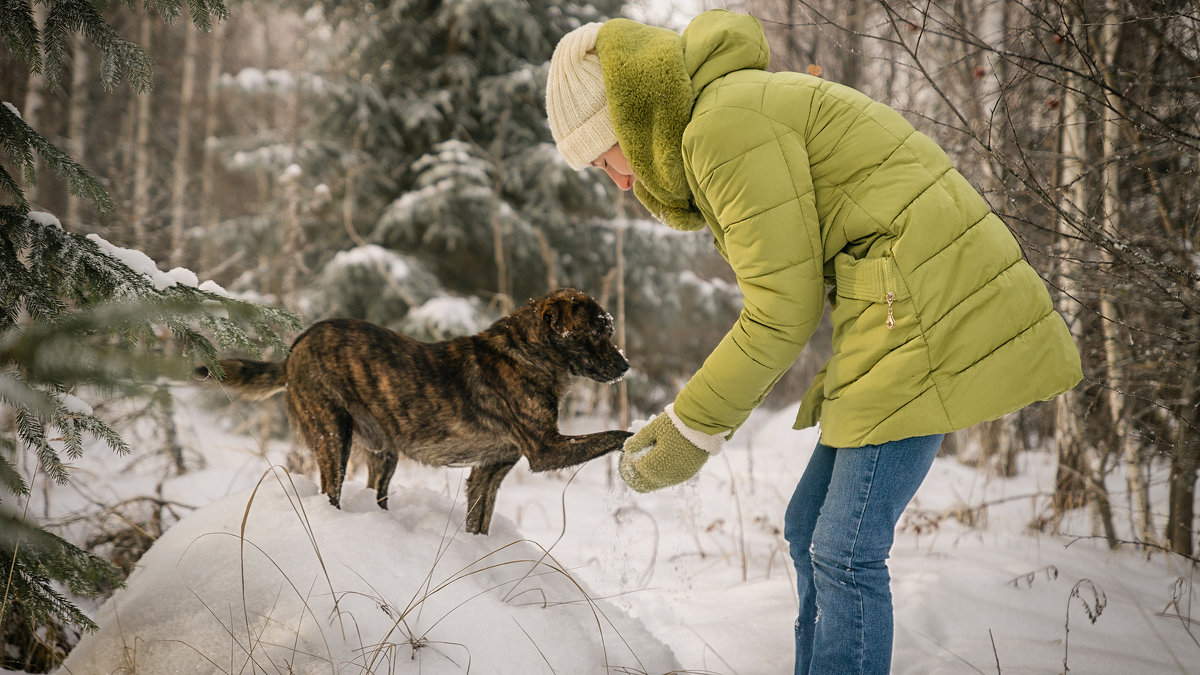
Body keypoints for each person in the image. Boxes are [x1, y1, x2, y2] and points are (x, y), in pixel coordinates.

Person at [545, 9, 1081, 675]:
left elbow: (780, 312)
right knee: (810, 529)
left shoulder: (721, 126)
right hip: (894, 299)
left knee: (845, 549)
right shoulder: (722, 112)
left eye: (606, 157)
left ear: (627, 119)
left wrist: (691, 428)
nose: (621, 180)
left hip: (925, 302)